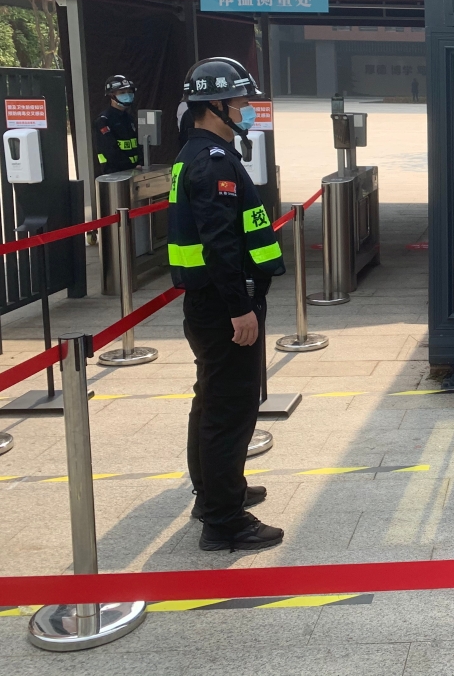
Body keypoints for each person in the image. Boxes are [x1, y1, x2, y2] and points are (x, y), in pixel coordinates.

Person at [167, 57, 286, 552]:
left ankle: (216, 492)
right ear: (215, 105)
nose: (247, 110)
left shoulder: (197, 152)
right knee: (229, 411)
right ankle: (224, 522)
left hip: (209, 304)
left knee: (211, 401)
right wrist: (241, 307)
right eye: (241, 101)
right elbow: (220, 243)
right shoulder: (213, 162)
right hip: (223, 307)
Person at [94, 75, 140, 175]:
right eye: (122, 92)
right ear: (111, 95)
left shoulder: (129, 118)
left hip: (134, 172)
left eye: (129, 92)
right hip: (115, 174)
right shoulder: (104, 120)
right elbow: (110, 150)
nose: (127, 95)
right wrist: (130, 166)